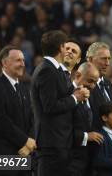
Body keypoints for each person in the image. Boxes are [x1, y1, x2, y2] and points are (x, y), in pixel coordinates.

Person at [31, 30, 90, 176]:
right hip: (51, 144)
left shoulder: (53, 70)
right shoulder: (47, 71)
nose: (68, 51)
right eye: (66, 47)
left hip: (59, 144)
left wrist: (77, 93)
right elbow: (50, 106)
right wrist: (75, 98)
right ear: (61, 47)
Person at [0, 45, 35, 176]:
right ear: (4, 63)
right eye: (18, 60)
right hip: (0, 161)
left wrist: (29, 143)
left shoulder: (24, 88)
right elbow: (0, 122)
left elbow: (31, 118)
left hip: (23, 157)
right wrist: (24, 140)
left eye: (23, 60)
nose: (22, 64)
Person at [70, 62, 105, 176]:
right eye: (90, 81)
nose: (93, 86)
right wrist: (86, 136)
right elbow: (61, 129)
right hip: (71, 161)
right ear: (78, 75)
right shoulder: (66, 94)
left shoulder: (93, 94)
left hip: (90, 161)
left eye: (95, 82)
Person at [87, 41, 112, 129]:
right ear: (90, 60)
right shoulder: (84, 84)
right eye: (103, 59)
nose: (107, 63)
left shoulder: (107, 83)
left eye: (109, 59)